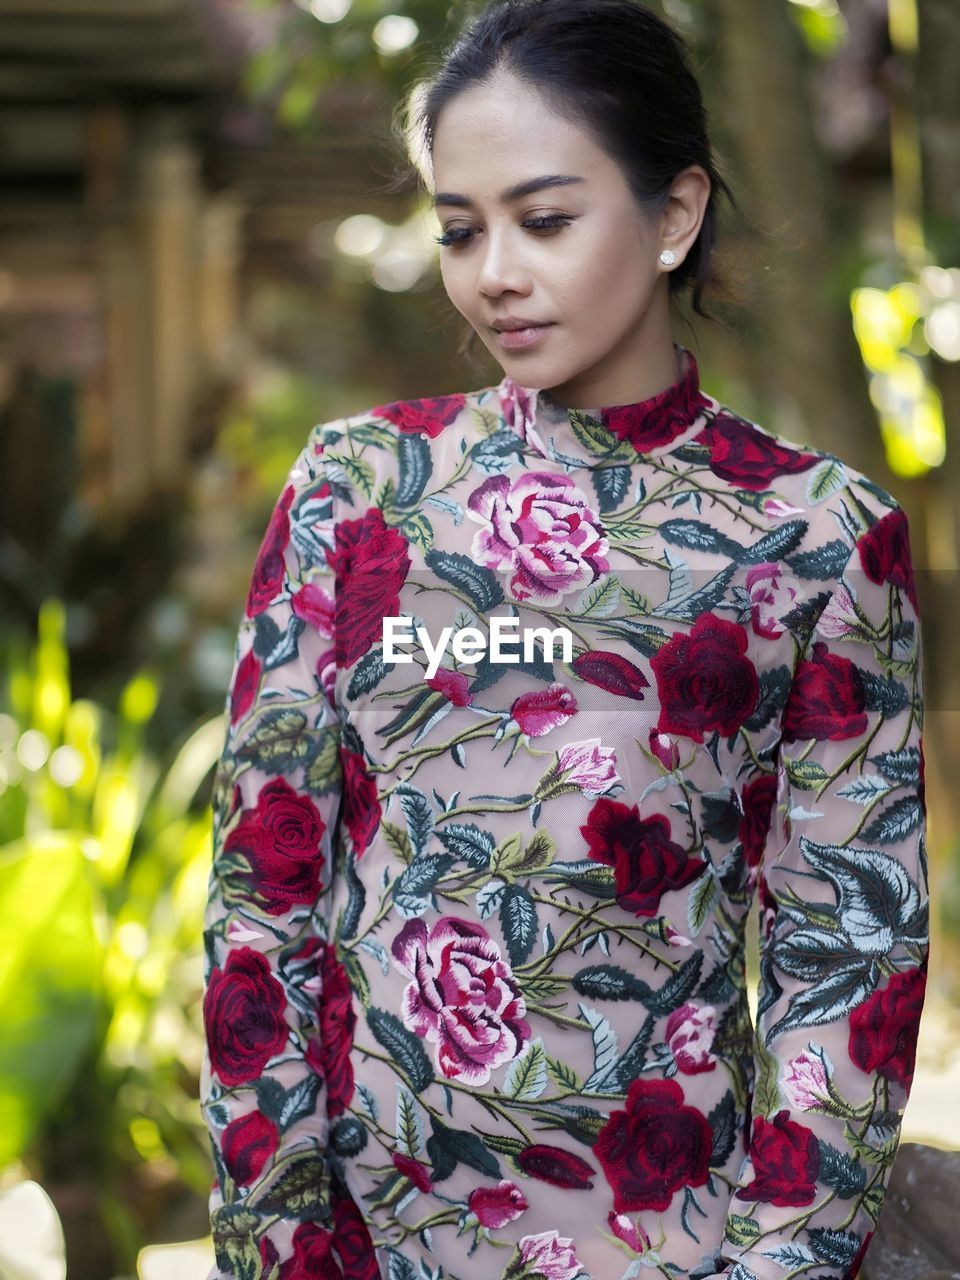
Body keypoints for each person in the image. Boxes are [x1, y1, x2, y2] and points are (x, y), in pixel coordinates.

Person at [199, 2, 929, 1278]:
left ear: (673, 216)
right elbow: (266, 900)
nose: (495, 274)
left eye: (544, 220)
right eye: (462, 229)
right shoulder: (357, 493)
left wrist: (777, 1264)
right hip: (369, 1241)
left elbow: (848, 951)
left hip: (679, 1241)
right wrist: (280, 1234)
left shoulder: (815, 537)